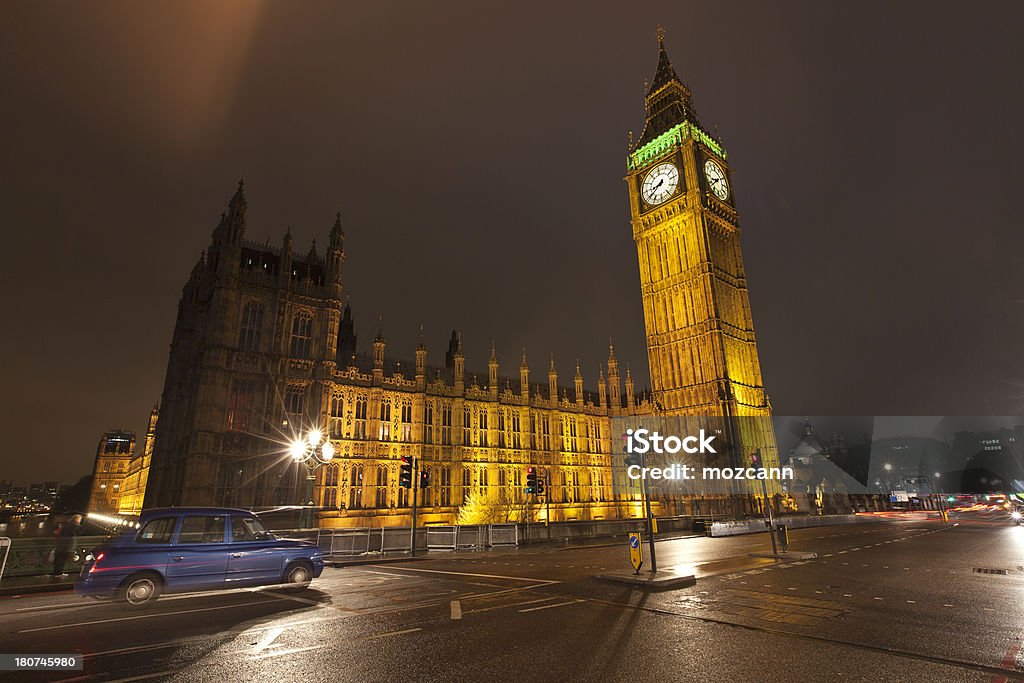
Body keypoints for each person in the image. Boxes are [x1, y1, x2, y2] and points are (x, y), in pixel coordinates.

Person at [52, 514, 82, 578]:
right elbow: (79, 532)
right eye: (79, 520)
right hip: (66, 545)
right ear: (77, 519)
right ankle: (58, 573)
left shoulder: (66, 524)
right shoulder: (74, 525)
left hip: (60, 544)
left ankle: (56, 573)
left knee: (58, 559)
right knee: (62, 559)